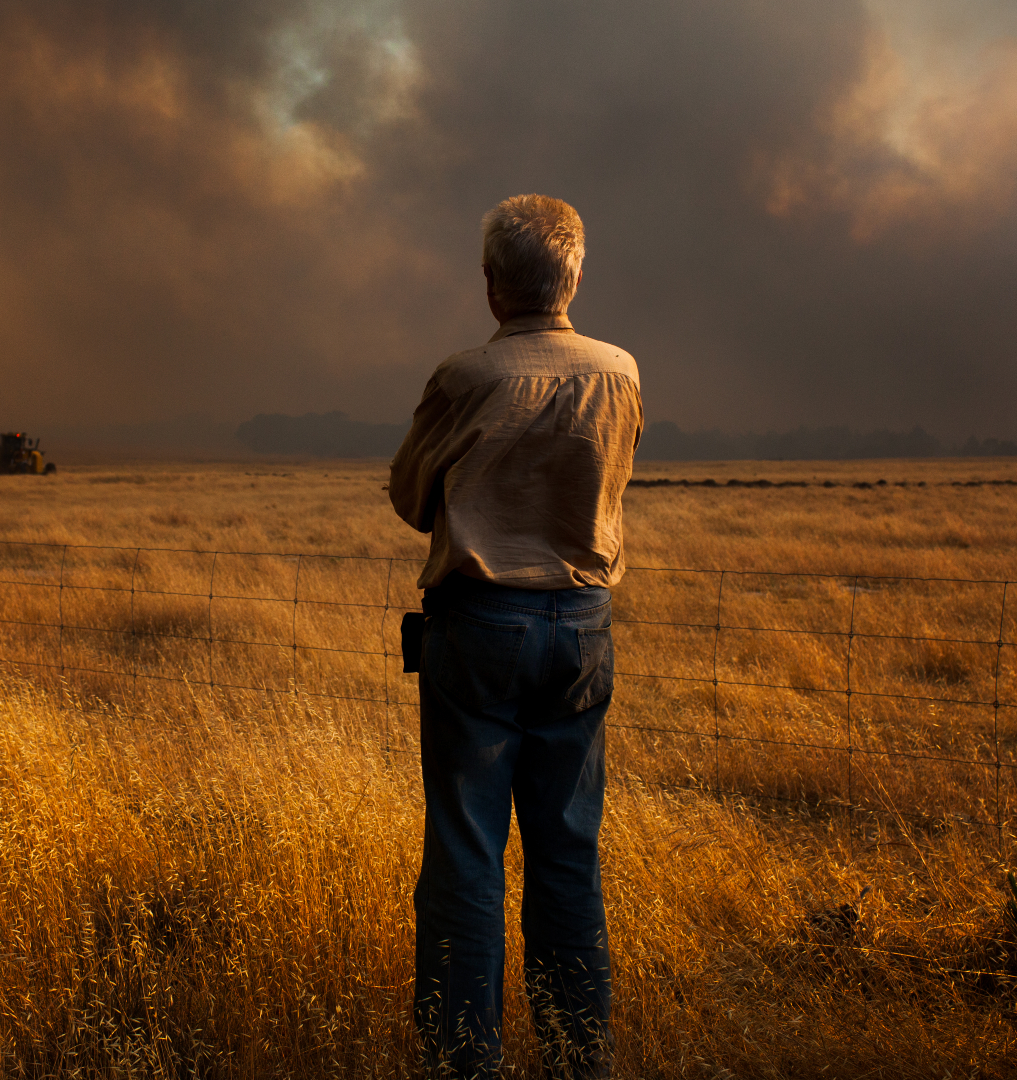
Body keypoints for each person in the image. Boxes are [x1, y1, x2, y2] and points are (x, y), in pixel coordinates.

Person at [389, 194, 643, 1079]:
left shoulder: (466, 377)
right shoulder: (620, 371)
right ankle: (580, 1060)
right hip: (581, 628)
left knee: (466, 850)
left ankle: (466, 1063)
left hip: (480, 628)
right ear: (575, 276)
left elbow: (412, 498)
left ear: (493, 286)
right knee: (568, 851)